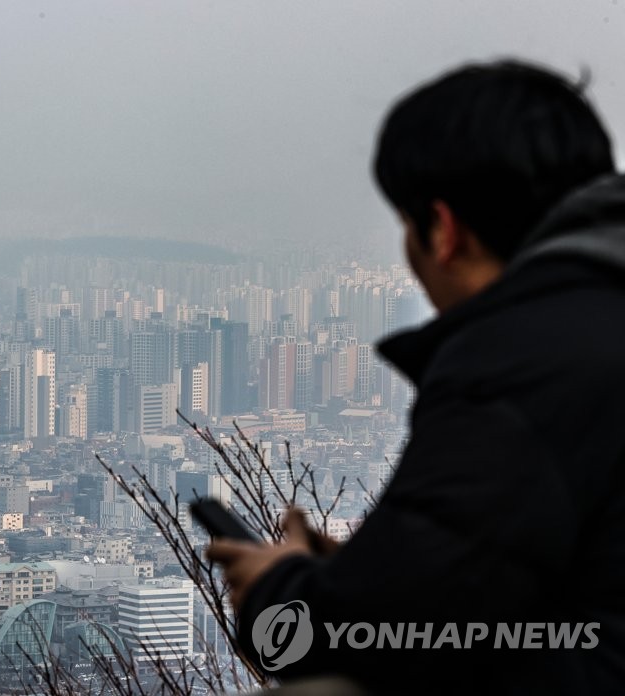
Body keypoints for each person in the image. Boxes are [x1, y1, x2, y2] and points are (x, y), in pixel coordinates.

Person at [207, 59, 625, 694]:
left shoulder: (520, 360)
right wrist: (356, 573)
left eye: (406, 226)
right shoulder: (592, 321)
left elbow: (358, 636)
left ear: (444, 229)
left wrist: (277, 590)